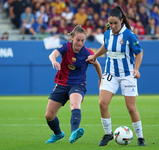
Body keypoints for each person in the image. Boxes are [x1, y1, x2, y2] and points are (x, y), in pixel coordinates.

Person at [86, 5, 146, 146]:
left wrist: (136, 70)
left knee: (131, 108)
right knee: (102, 103)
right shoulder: (107, 34)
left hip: (127, 75)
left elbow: (139, 53)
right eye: (110, 23)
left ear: (121, 21)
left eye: (115, 23)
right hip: (110, 73)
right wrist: (94, 55)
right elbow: (106, 46)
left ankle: (141, 137)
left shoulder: (129, 35)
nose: (112, 26)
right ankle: (108, 134)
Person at [45, 25, 102, 144]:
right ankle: (58, 134)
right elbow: (53, 54)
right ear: (72, 37)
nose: (80, 43)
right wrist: (54, 60)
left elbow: (97, 64)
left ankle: (74, 132)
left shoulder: (87, 53)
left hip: (78, 84)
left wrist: (101, 79)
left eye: (82, 40)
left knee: (75, 105)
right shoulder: (66, 47)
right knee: (49, 115)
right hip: (61, 84)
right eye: (78, 40)